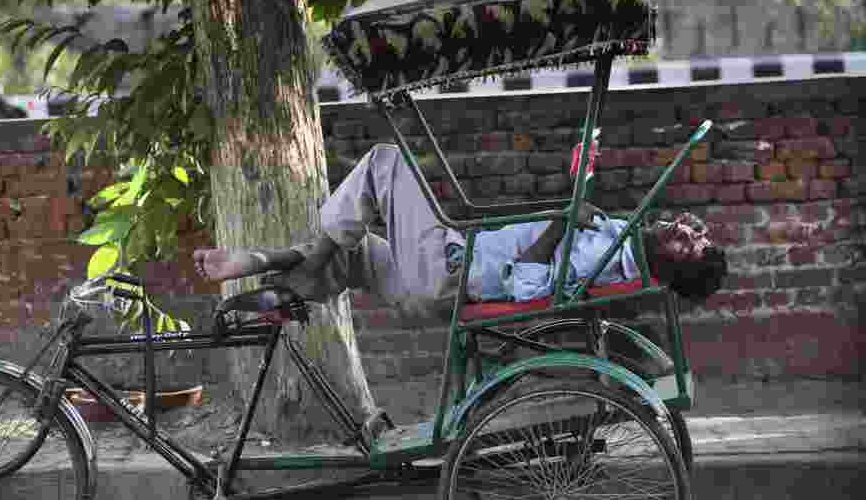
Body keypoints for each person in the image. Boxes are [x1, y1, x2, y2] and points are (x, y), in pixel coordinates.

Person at [194, 144, 728, 322]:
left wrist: (560, 223)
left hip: (451, 274)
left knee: (385, 162)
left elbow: (529, 288)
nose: (682, 225)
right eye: (690, 229)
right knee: (356, 255)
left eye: (688, 242)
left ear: (673, 265)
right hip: (442, 270)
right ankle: (273, 273)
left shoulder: (611, 258)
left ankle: (303, 261)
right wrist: (572, 193)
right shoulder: (621, 237)